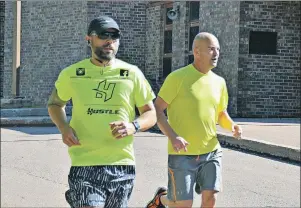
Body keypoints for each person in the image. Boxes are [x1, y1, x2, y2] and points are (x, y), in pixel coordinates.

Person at [47, 16, 156, 208]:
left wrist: (133, 126)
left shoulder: (132, 73)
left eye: (114, 36)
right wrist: (64, 127)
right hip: (84, 163)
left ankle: (76, 198)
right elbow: (55, 104)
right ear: (89, 38)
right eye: (103, 35)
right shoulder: (72, 73)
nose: (109, 41)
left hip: (122, 165)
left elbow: (150, 113)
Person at [146, 32, 242, 208]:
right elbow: (157, 110)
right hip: (182, 154)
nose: (216, 54)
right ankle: (162, 199)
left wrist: (232, 126)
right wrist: (173, 137)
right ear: (197, 52)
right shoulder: (177, 78)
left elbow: (221, 113)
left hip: (211, 151)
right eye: (211, 49)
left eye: (218, 49)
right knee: (182, 205)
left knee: (210, 199)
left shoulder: (219, 82)